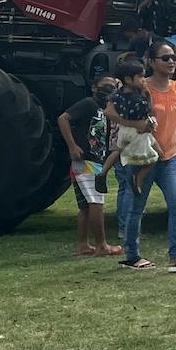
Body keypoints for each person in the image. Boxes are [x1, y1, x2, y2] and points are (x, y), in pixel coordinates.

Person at [141, 41, 176, 273]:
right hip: (145, 157)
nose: (171, 61)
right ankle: (132, 255)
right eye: (165, 58)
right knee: (136, 206)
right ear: (152, 62)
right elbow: (138, 121)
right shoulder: (143, 88)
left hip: (170, 158)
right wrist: (153, 143)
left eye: (174, 57)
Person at [109, 55, 162, 268]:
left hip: (125, 133)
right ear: (129, 79)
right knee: (155, 156)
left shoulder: (117, 95)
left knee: (119, 153)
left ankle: (105, 172)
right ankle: (138, 180)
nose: (143, 79)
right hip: (136, 132)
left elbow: (110, 110)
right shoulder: (139, 96)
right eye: (140, 76)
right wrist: (144, 116)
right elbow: (147, 111)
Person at [59, 75, 120, 257]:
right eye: (106, 85)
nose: (110, 88)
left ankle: (83, 244)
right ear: (94, 87)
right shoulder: (88, 103)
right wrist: (72, 145)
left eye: (114, 85)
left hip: (95, 160)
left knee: (85, 205)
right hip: (86, 159)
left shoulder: (107, 108)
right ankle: (101, 245)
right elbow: (63, 118)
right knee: (96, 201)